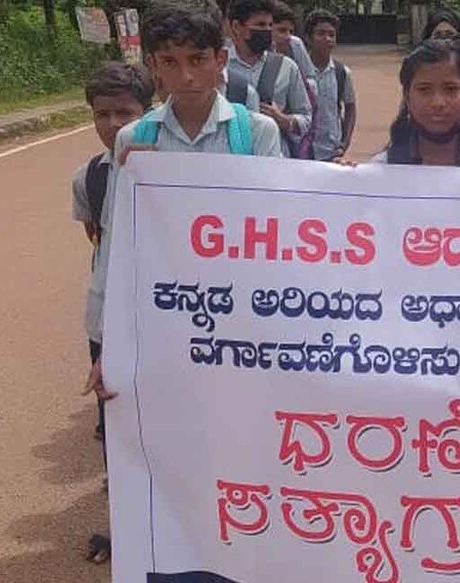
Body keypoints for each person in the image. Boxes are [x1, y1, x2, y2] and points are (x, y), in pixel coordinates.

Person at [84, 0, 283, 446]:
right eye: (170, 62)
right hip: (166, 317)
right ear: (153, 67)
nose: (186, 76)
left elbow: (277, 234)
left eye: (197, 60)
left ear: (220, 60)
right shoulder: (135, 140)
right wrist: (109, 343)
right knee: (168, 440)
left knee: (240, 434)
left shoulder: (255, 134)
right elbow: (120, 244)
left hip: (241, 319)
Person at [70, 61, 153, 565]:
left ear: (148, 113)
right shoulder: (90, 178)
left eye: (126, 112)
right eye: (103, 114)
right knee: (118, 423)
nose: (114, 124)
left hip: (162, 319)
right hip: (107, 320)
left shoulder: (166, 166)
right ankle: (126, 528)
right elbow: (100, 245)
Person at [370, 40, 460, 167]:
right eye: (424, 89)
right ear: (407, 97)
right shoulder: (382, 167)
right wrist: (350, 181)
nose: (438, 103)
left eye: (451, 89)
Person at [224, 0, 313, 157]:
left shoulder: (286, 67)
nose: (267, 31)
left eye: (270, 25)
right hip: (230, 159)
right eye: (260, 25)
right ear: (237, 27)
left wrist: (284, 120)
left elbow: (306, 118)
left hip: (273, 159)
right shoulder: (219, 66)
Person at [304, 9, 357, 161]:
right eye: (320, 34)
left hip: (331, 151)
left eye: (331, 35)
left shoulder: (342, 73)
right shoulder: (297, 71)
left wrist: (345, 142)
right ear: (308, 38)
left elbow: (350, 107)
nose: (327, 39)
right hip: (302, 150)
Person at [271, 0, 316, 77]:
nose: (288, 36)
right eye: (282, 30)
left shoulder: (295, 44)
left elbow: (310, 76)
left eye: (291, 32)